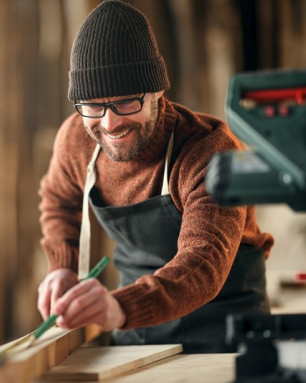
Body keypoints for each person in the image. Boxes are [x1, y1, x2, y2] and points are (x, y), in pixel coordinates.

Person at [36, 0, 274, 353]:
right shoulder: (76, 139)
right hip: (137, 330)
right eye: (93, 106)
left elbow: (203, 262)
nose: (110, 122)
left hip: (226, 327)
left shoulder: (210, 152)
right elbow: (58, 199)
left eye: (127, 102)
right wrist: (62, 268)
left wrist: (120, 306)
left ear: (158, 92)